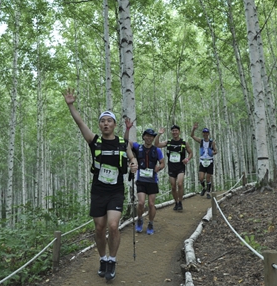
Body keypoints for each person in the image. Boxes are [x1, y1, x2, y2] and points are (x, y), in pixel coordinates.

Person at [63, 89, 138, 282]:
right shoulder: (94, 142)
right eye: (103, 121)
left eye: (109, 121)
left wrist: (134, 164)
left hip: (115, 191)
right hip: (98, 190)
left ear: (114, 124)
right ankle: (103, 258)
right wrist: (71, 105)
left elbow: (132, 158)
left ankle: (112, 260)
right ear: (100, 125)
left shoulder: (122, 143)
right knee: (99, 228)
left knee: (113, 226)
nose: (105, 123)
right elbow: (80, 123)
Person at [124, 118, 165, 235]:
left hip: (152, 180)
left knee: (151, 204)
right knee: (141, 203)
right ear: (143, 137)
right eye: (147, 136)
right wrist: (128, 129)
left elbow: (162, 163)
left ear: (153, 138)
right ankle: (140, 219)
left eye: (151, 136)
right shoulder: (138, 147)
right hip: (141, 180)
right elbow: (126, 142)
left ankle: (151, 223)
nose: (149, 138)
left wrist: (159, 167)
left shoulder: (156, 150)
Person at [154, 124, 193, 211]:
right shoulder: (168, 142)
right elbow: (156, 144)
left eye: (176, 130)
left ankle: (181, 202)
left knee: (179, 183)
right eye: (173, 131)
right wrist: (159, 134)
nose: (174, 132)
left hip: (180, 167)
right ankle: (176, 203)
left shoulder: (184, 143)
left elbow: (191, 153)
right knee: (173, 186)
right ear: (171, 132)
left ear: (179, 132)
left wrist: (187, 159)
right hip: (171, 167)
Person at [191, 123, 218, 199]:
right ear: (203, 134)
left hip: (209, 161)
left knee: (208, 178)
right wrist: (193, 129)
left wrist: (214, 152)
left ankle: (208, 193)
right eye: (204, 133)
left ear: (208, 134)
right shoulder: (201, 141)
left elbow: (216, 150)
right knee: (201, 178)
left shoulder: (212, 142)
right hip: (202, 161)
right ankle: (203, 188)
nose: (205, 134)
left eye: (206, 133)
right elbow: (192, 136)